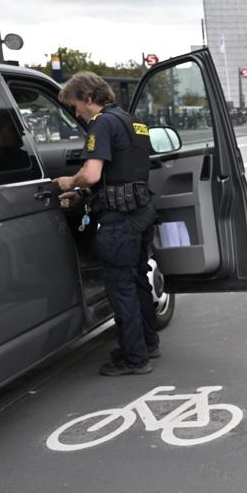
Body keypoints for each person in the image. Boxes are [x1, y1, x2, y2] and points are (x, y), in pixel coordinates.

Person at [56, 72, 161, 377]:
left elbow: (91, 174)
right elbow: (124, 170)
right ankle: (148, 342)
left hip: (118, 221)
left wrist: (69, 182)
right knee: (139, 280)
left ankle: (134, 358)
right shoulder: (132, 121)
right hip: (141, 212)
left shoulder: (101, 124)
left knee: (121, 288)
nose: (77, 113)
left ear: (88, 98)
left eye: (76, 106)